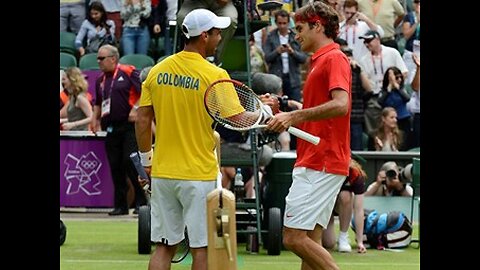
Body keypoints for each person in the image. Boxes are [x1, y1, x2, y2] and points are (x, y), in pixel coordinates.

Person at [134, 9, 232, 270]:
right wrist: (265, 109)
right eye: (216, 32)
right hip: (199, 174)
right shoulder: (215, 75)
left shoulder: (157, 70)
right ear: (204, 36)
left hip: (164, 172)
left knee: (164, 247)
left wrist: (146, 160)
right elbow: (240, 118)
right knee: (203, 248)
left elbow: (143, 120)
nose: (220, 37)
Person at [265, 2, 351, 269]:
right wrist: (287, 105)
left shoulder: (333, 58)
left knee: (292, 238)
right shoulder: (321, 61)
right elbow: (320, 110)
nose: (295, 34)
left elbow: (341, 105)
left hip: (320, 161)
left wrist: (293, 117)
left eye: (300, 28)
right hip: (319, 159)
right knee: (309, 241)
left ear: (317, 26)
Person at [92, 44, 147, 215]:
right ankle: (121, 205)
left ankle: (141, 202)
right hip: (111, 127)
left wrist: (136, 108)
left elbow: (145, 91)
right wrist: (94, 119)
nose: (99, 62)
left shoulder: (128, 72)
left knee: (130, 162)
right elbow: (98, 103)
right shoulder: (100, 80)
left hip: (129, 127)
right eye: (98, 59)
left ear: (113, 58)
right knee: (115, 166)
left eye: (102, 58)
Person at [322, 159, 367, 254]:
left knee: (345, 195)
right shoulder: (324, 169)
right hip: (326, 207)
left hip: (342, 205)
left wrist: (360, 242)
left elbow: (359, 209)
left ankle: (343, 237)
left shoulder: (356, 174)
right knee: (329, 244)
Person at [176, 0, 238, 65]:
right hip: (194, 2)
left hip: (222, 5)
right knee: (183, 17)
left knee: (231, 19)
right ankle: (193, 58)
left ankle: (214, 60)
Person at [377, 67, 411, 150]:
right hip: (388, 122)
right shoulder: (384, 91)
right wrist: (389, 88)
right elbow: (380, 101)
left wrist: (397, 87)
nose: (399, 79)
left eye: (400, 77)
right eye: (396, 77)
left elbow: (407, 98)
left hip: (403, 120)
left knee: (403, 144)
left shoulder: (402, 89)